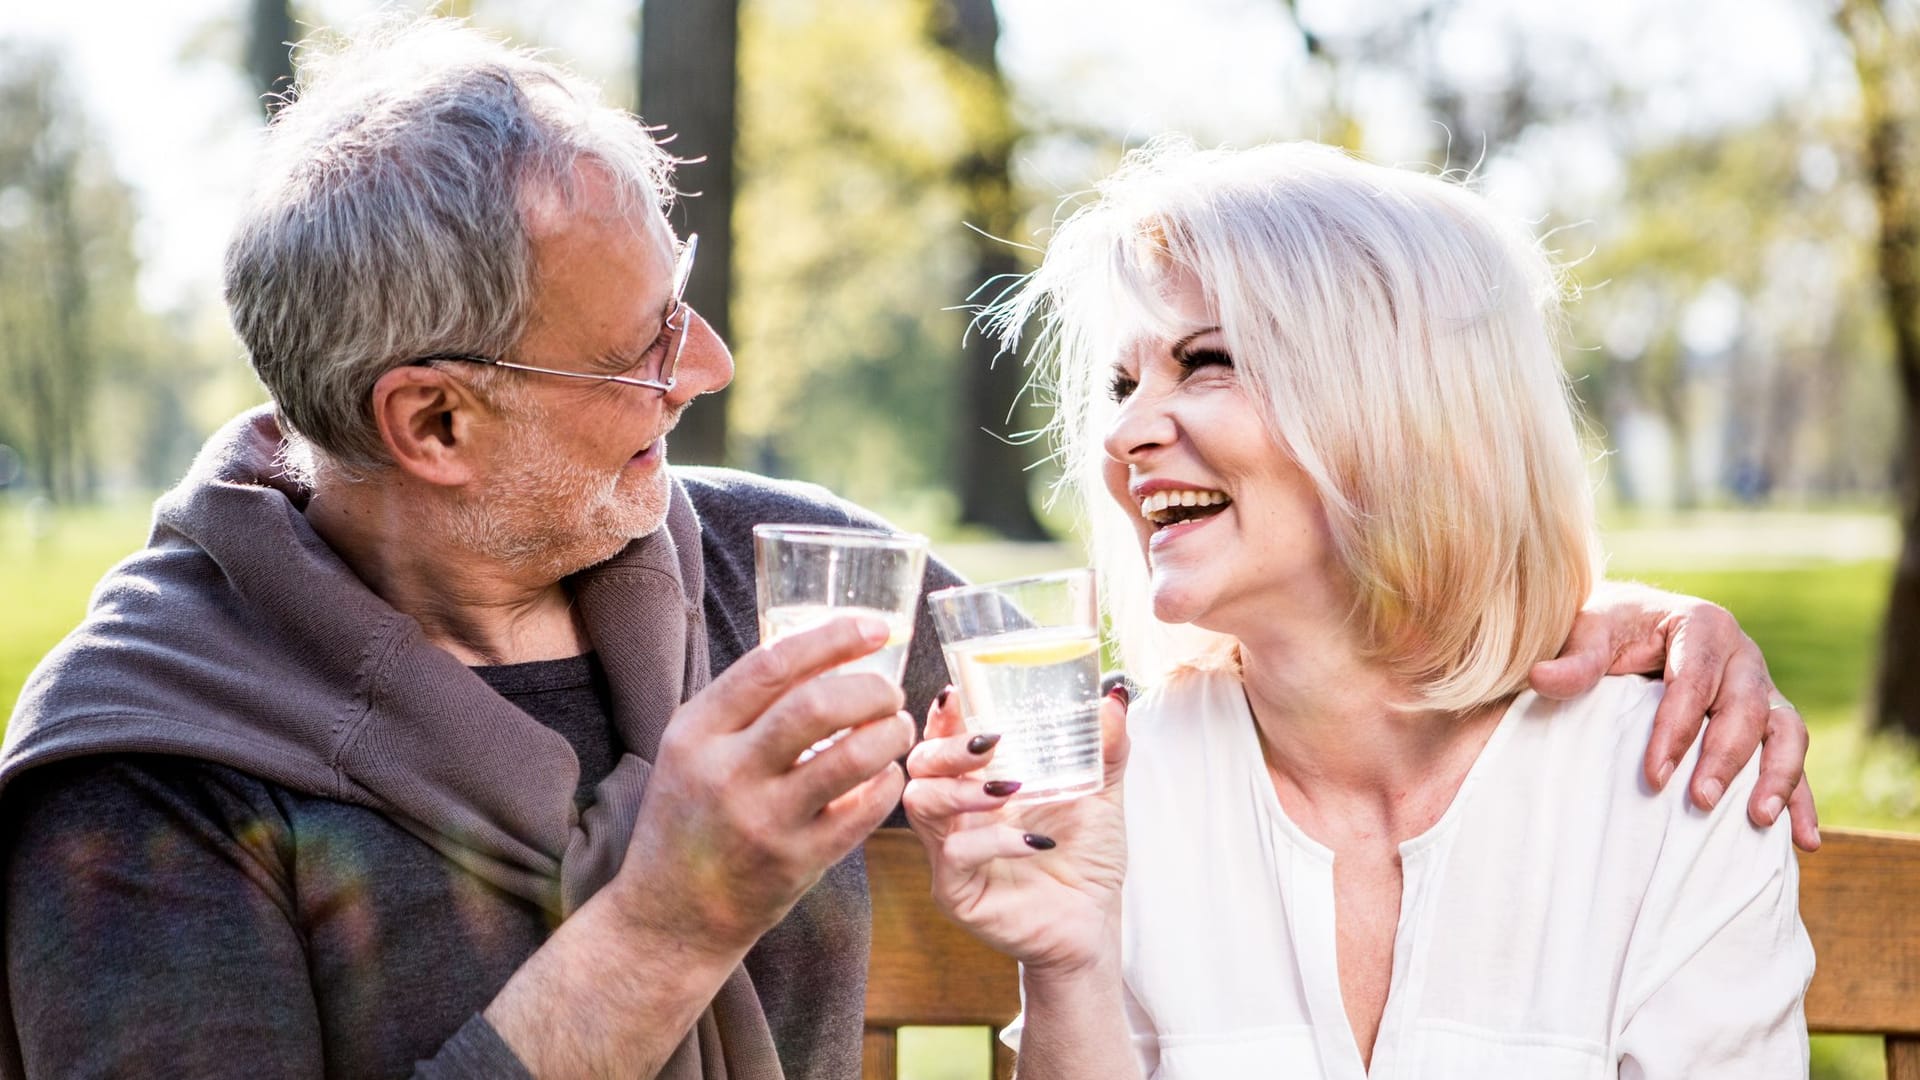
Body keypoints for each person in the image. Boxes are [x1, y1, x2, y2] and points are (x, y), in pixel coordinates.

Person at [0, 22, 1805, 1080]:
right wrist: (668, 923)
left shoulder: (791, 588)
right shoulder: (149, 787)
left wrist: (1612, 624)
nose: (708, 374)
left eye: (684, 310)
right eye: (639, 351)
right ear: (436, 424)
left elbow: (1260, 628)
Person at [905, 141, 1816, 1079]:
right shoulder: (1120, 791)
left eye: (1208, 363)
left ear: (1406, 403)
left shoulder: (1673, 780)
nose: (1127, 432)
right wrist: (1071, 967)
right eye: (1123, 384)